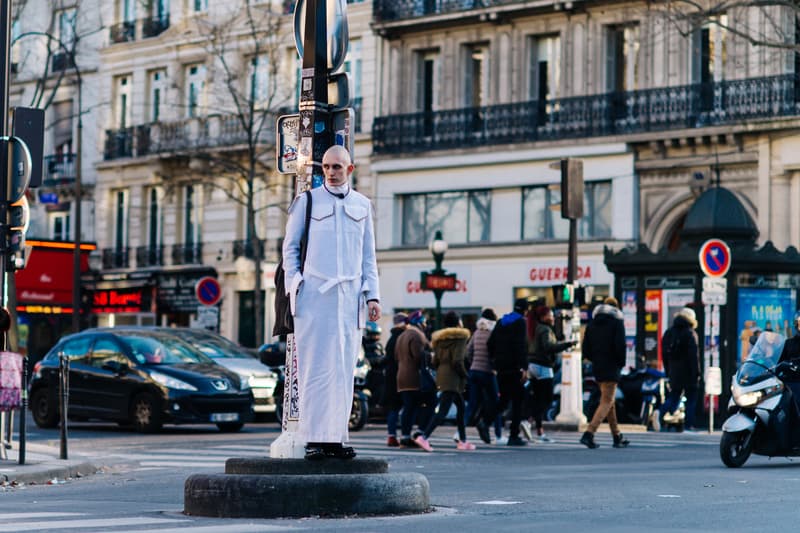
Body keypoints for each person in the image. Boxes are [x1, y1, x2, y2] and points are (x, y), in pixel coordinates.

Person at [282, 145, 381, 460]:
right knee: (314, 368)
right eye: (326, 166)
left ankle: (335, 439)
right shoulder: (307, 201)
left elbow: (368, 256)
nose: (330, 172)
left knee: (343, 369)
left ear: (350, 169)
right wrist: (295, 284)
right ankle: (313, 438)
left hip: (350, 297)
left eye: (337, 166)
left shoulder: (362, 205)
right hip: (314, 294)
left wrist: (373, 295)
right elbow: (290, 248)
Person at [414, 311, 476, 452]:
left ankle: (463, 440)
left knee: (461, 407)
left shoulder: (439, 339)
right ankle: (424, 437)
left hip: (442, 375)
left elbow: (434, 360)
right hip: (453, 378)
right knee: (443, 410)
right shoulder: (460, 338)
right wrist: (465, 375)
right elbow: (457, 361)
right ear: (458, 322)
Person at [579, 297, 628, 449]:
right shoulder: (617, 323)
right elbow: (620, 346)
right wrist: (620, 363)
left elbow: (586, 349)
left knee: (608, 401)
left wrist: (596, 359)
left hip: (598, 367)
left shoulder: (592, 324)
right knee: (607, 401)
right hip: (612, 366)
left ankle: (617, 436)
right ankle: (589, 433)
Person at [526, 305, 575, 443]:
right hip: (543, 366)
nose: (553, 318)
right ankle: (528, 421)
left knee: (537, 399)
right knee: (546, 399)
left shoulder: (533, 328)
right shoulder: (545, 329)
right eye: (550, 315)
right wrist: (567, 344)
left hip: (531, 366)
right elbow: (548, 347)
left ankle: (540, 431)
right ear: (543, 317)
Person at [487, 298, 530, 446]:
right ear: (525, 310)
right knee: (518, 401)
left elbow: (490, 343)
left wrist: (495, 360)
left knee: (504, 400)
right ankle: (514, 435)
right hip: (514, 367)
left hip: (501, 367)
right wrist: (523, 367)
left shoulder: (501, 322)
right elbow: (520, 346)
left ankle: (485, 421)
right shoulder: (520, 322)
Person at [465, 308, 504, 445]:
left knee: (472, 404)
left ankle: (460, 433)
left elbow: (468, 351)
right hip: (488, 372)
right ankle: (498, 435)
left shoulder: (476, 333)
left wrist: (473, 363)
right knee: (496, 403)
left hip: (474, 371)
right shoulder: (493, 333)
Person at [659, 307, 700, 431]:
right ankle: (688, 425)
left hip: (674, 371)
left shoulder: (669, 332)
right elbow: (694, 356)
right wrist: (697, 373)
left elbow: (664, 354)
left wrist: (668, 370)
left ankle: (659, 413)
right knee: (691, 399)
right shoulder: (690, 333)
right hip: (689, 372)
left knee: (674, 396)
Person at [395, 310, 432, 448]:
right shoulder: (417, 335)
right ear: (419, 322)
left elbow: (396, 356)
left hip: (402, 377)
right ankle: (420, 432)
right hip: (415, 377)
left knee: (409, 407)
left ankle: (405, 437)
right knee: (430, 403)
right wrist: (431, 355)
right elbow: (418, 356)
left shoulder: (402, 335)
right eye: (424, 322)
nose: (425, 325)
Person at [384, 312, 408, 447]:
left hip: (390, 376)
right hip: (400, 375)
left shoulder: (391, 338)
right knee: (406, 406)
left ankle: (391, 435)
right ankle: (404, 435)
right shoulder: (402, 337)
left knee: (394, 407)